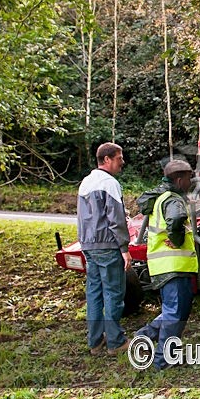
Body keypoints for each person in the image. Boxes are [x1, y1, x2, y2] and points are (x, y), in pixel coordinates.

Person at [135, 159, 199, 370]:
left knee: (176, 312)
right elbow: (177, 218)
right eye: (189, 177)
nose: (192, 180)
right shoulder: (173, 199)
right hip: (173, 265)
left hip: (168, 266)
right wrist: (178, 238)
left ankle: (144, 336)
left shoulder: (164, 197)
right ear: (179, 180)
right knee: (174, 314)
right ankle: (164, 361)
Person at [77, 142, 131, 356]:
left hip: (89, 245)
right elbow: (116, 219)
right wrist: (124, 248)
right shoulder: (110, 184)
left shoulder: (86, 182)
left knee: (94, 293)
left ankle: (95, 341)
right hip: (108, 245)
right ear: (107, 160)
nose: (122, 162)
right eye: (119, 158)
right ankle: (116, 342)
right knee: (114, 292)